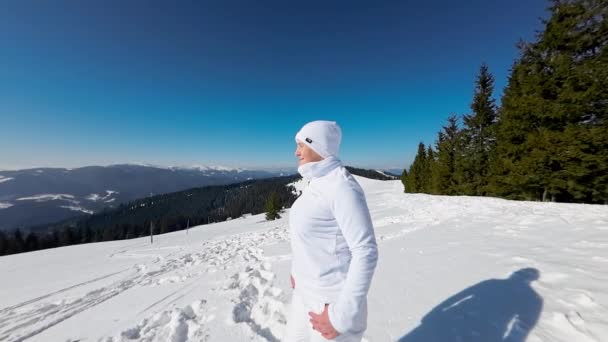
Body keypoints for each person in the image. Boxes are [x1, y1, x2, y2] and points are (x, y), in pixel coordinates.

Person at [286, 120, 378, 341]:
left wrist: (341, 316)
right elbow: (311, 237)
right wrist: (297, 270)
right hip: (304, 296)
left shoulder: (342, 187)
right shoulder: (317, 182)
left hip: (330, 303)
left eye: (301, 145)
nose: (295, 152)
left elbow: (366, 251)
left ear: (317, 145)